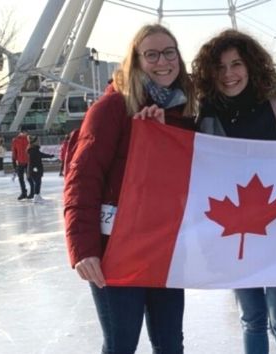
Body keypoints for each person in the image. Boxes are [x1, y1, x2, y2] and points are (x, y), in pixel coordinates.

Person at [64, 24, 196, 354]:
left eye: (169, 52)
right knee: (122, 343)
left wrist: (166, 134)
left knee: (170, 343)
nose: (162, 61)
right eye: (151, 54)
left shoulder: (185, 113)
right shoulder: (111, 109)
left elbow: (194, 173)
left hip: (165, 245)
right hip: (116, 248)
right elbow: (82, 180)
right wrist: (83, 249)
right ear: (135, 61)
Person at [192, 29, 276, 354]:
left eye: (236, 64)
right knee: (251, 318)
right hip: (234, 234)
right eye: (219, 68)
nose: (229, 74)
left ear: (250, 65)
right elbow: (184, 160)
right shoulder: (206, 111)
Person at [26, 135, 54, 203]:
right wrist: (50, 156)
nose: (38, 142)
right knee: (37, 182)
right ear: (34, 142)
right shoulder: (32, 150)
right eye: (37, 141)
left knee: (38, 182)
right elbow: (39, 156)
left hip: (35, 168)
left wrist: (50, 156)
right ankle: (36, 197)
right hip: (35, 169)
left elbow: (40, 155)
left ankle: (38, 195)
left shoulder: (34, 149)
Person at [11, 127, 33, 200]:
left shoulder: (29, 139)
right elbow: (14, 152)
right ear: (21, 132)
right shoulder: (15, 140)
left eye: (27, 132)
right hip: (20, 162)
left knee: (29, 178)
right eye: (25, 132)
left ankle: (32, 192)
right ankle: (23, 192)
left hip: (28, 162)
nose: (26, 133)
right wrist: (14, 162)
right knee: (20, 178)